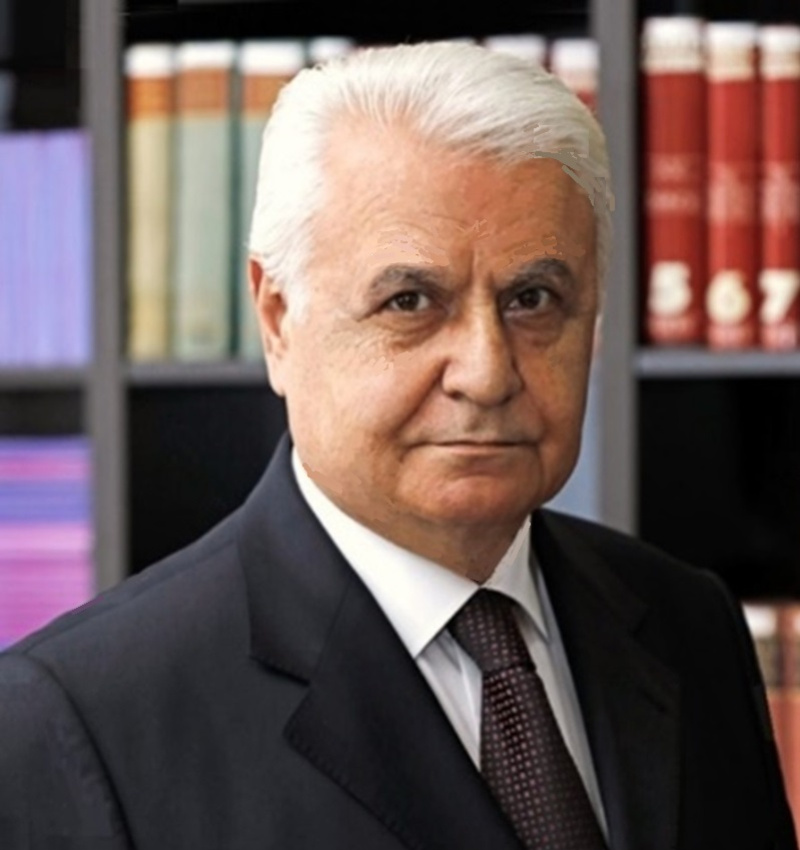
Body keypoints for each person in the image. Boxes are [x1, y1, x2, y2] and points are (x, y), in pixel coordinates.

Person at [0, 41, 795, 850]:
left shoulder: (692, 627)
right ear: (277, 321)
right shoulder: (74, 724)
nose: (486, 373)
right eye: (410, 301)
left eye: (532, 298)